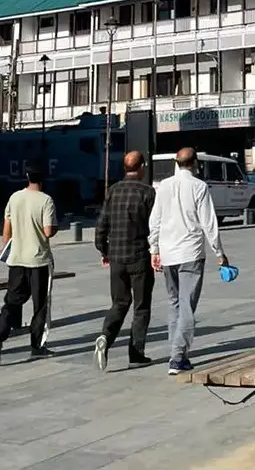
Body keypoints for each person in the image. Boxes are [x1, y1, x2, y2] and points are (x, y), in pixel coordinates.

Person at [149, 148, 228, 375]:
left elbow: (155, 219)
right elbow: (209, 223)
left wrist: (154, 248)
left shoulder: (163, 186)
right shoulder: (199, 187)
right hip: (191, 252)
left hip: (168, 252)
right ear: (195, 163)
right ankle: (177, 357)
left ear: (176, 162)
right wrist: (219, 253)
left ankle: (177, 353)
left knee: (174, 302)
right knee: (186, 305)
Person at [0, 162, 57, 365]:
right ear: (43, 178)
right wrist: (55, 227)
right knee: (40, 304)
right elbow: (47, 231)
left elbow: (6, 227)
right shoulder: (46, 201)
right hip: (38, 259)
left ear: (27, 176)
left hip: (16, 258)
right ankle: (37, 345)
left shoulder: (14, 198)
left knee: (13, 300)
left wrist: (7, 249)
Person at [93, 150, 156, 371]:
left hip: (117, 258)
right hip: (139, 256)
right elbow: (154, 226)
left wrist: (104, 251)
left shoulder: (112, 191)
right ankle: (136, 353)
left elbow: (101, 225)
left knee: (119, 303)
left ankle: (105, 337)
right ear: (141, 167)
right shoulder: (148, 193)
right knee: (141, 306)